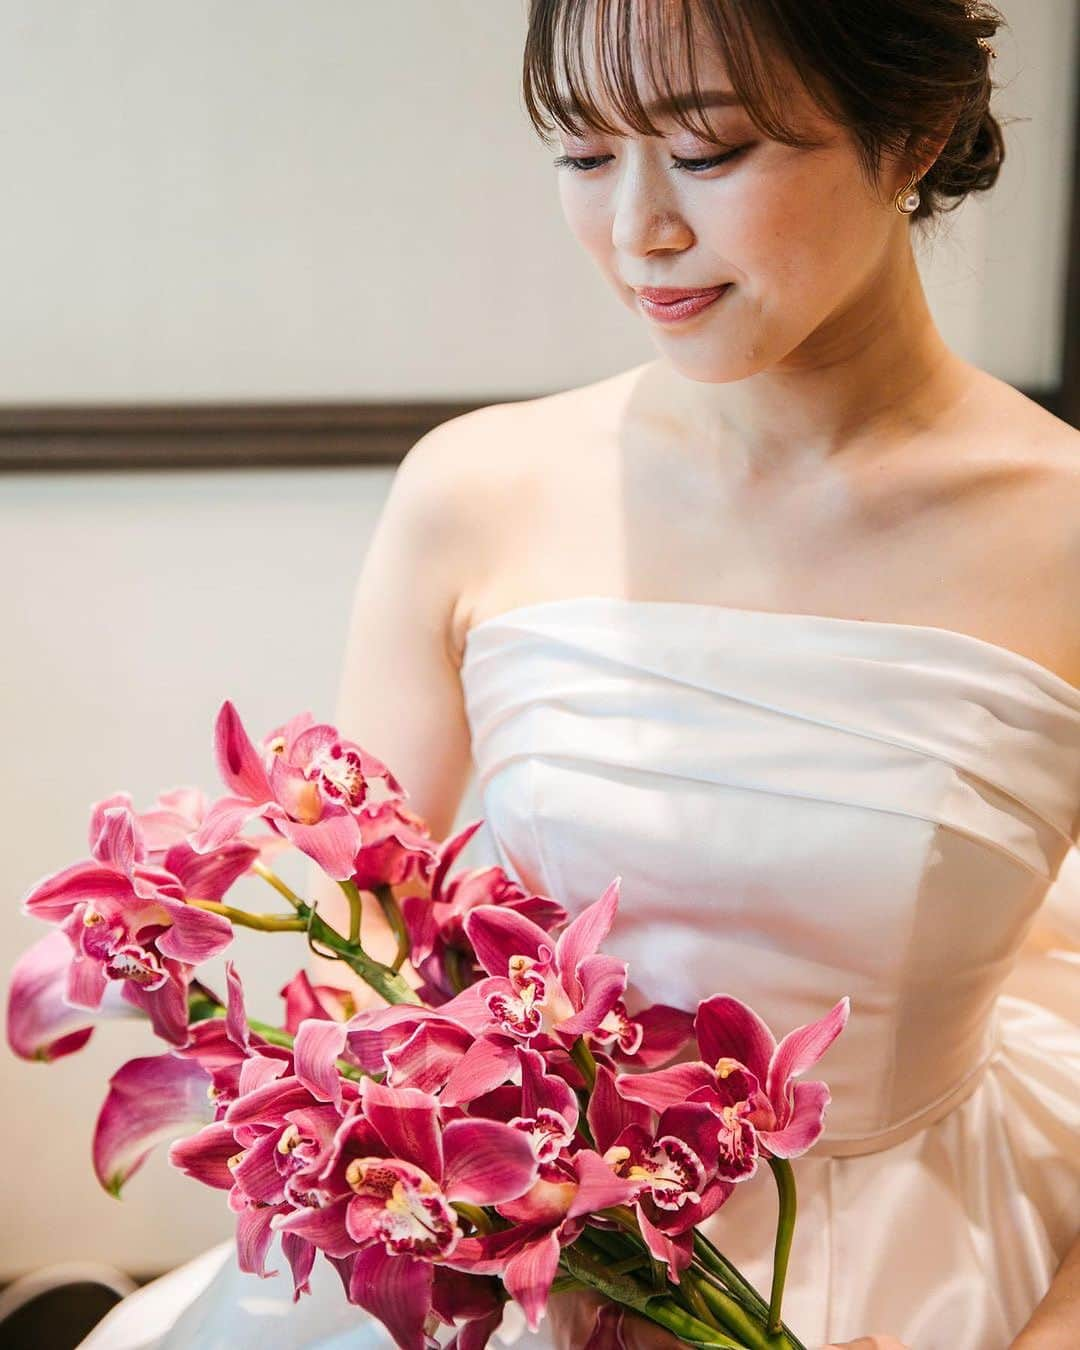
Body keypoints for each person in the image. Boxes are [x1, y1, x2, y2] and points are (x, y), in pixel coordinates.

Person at [82, 0, 1080, 1347]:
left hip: (925, 1272)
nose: (638, 231)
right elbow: (373, 957)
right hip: (525, 1257)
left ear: (916, 132)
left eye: (710, 151)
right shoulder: (474, 490)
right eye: (583, 153)